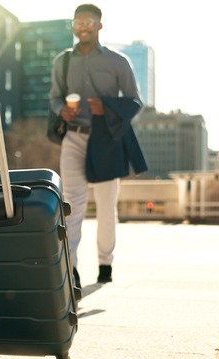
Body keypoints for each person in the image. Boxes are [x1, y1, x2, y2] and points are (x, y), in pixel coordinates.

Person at [49, 4, 146, 288]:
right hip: (73, 137)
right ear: (73, 26)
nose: (83, 27)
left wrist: (106, 106)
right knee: (72, 205)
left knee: (106, 206)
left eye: (88, 22)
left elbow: (135, 101)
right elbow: (55, 98)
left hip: (106, 140)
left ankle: (106, 262)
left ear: (99, 26)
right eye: (78, 22)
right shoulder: (62, 62)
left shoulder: (119, 62)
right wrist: (61, 111)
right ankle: (73, 268)